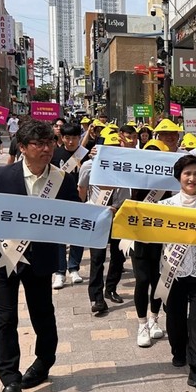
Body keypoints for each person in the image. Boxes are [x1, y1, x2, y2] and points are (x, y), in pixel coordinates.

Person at [0, 120, 80, 392]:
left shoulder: (62, 180)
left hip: (40, 259)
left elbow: (76, 216)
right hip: (4, 257)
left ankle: (43, 363)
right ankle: (9, 379)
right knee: (5, 319)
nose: (46, 149)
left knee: (42, 314)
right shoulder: (3, 176)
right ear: (23, 148)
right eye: (39, 144)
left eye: (50, 142)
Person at [159, 155, 196, 388]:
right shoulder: (165, 207)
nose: (192, 178)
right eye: (187, 174)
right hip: (173, 270)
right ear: (179, 177)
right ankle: (178, 350)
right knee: (174, 316)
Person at [79, 132, 132, 314]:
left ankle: (111, 288)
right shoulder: (89, 166)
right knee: (97, 258)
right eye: (109, 148)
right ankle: (96, 297)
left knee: (119, 256)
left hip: (119, 215)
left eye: (116, 148)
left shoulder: (125, 166)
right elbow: (82, 189)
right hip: (98, 216)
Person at [131, 139, 170, 347]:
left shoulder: (169, 181)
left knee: (157, 280)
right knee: (142, 280)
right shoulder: (134, 178)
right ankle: (142, 324)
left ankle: (154, 318)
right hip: (140, 236)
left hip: (162, 237)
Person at [51, 121, 87, 289]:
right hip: (59, 200)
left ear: (79, 137)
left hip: (80, 200)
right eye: (67, 138)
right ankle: (59, 272)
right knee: (58, 238)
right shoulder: (55, 155)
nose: (71, 141)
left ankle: (74, 268)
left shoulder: (86, 155)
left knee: (77, 235)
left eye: (74, 138)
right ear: (62, 137)